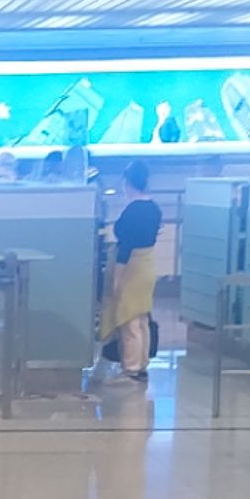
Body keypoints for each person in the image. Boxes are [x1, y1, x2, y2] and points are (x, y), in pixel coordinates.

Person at [93, 162, 165, 383]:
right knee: (141, 317)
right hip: (147, 265)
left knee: (128, 320)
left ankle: (131, 368)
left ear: (127, 182)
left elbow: (126, 247)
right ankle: (141, 364)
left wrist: (117, 277)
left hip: (131, 268)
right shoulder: (154, 208)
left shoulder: (133, 211)